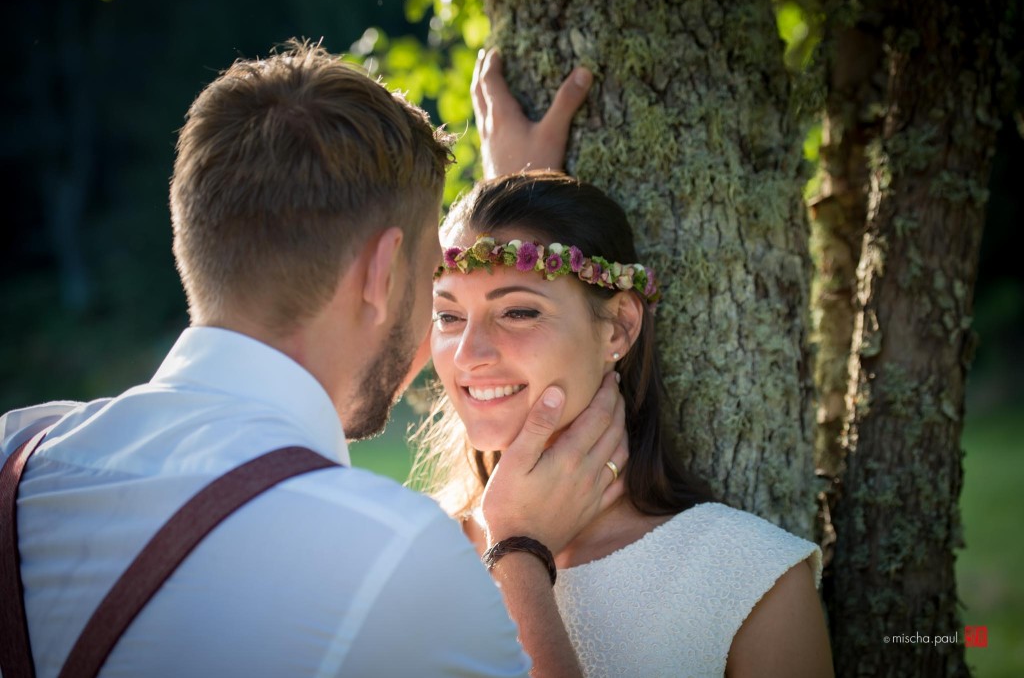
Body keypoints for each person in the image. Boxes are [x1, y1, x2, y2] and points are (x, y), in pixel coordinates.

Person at [0, 40, 618, 678]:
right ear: (381, 274)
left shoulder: (14, 454)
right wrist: (517, 548)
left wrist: (524, 215)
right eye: (437, 281)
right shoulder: (391, 556)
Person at [421, 170, 835, 678]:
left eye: (519, 312)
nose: (468, 355)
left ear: (618, 327)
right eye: (448, 316)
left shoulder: (745, 578)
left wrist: (516, 548)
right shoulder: (413, 548)